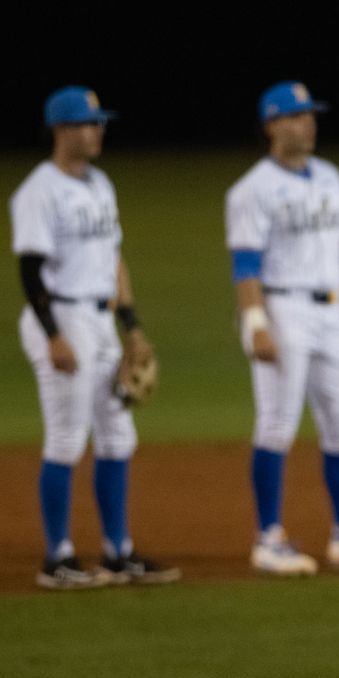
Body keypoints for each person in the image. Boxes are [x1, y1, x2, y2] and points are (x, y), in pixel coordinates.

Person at [224, 81, 339, 576]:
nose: (307, 122)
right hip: (281, 311)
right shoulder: (251, 190)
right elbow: (245, 264)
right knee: (277, 424)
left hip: (330, 315)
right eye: (296, 115)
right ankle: (268, 539)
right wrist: (255, 322)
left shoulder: (329, 176)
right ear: (271, 125)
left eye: (310, 114)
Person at [11, 86, 180, 589]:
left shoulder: (100, 184)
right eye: (89, 123)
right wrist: (53, 336)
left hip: (101, 322)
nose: (98, 130)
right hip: (61, 319)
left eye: (100, 121)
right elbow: (30, 270)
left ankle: (117, 550)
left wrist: (133, 328)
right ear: (63, 130)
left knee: (118, 436)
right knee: (66, 439)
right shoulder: (39, 190)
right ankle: (57, 558)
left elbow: (114, 259)